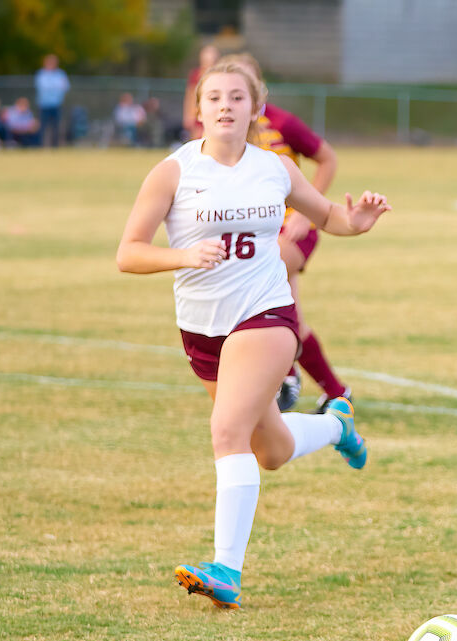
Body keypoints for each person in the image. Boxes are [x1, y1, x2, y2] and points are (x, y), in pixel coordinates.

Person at [116, 60, 390, 610]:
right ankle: (336, 427)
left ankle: (226, 569)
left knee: (226, 433)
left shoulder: (275, 169)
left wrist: (357, 220)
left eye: (236, 97)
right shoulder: (172, 172)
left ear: (255, 108)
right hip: (202, 333)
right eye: (213, 96)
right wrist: (182, 255)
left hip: (265, 316)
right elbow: (129, 253)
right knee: (271, 450)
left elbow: (330, 216)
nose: (224, 105)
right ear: (198, 110)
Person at [218, 53, 351, 413]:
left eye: (240, 91)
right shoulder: (219, 135)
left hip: (290, 232)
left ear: (258, 93)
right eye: (220, 93)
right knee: (289, 316)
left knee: (259, 298)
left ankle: (285, 375)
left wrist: (306, 216)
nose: (229, 101)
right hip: (253, 236)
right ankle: (333, 392)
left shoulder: (281, 122)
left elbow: (327, 158)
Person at [182, 44, 220, 140]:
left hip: (214, 112)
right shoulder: (196, 75)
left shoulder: (220, 75)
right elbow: (190, 95)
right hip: (198, 112)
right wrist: (188, 115)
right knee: (197, 139)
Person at [35, 54, 70, 147]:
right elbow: (43, 87)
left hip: (57, 104)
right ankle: (41, 146)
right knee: (43, 126)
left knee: (56, 126)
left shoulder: (60, 74)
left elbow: (65, 87)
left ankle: (55, 146)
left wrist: (53, 87)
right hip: (44, 104)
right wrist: (55, 86)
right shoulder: (41, 74)